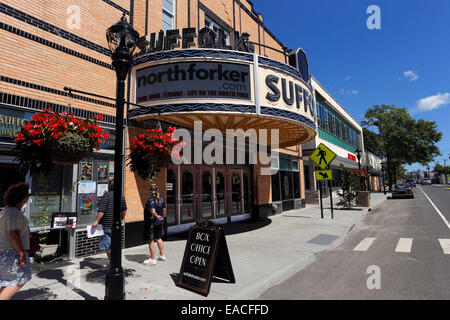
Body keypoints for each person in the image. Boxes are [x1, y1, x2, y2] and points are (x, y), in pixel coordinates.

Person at [0, 182, 31, 300]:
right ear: (22, 197)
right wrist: (21, 254)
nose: (28, 197)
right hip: (12, 253)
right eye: (27, 194)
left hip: (5, 252)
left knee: (8, 282)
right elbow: (13, 234)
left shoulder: (6, 210)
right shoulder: (13, 212)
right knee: (19, 280)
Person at [92, 178, 127, 270]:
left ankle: (112, 264)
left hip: (107, 224)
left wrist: (96, 221)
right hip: (117, 225)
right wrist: (121, 219)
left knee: (107, 246)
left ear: (109, 186)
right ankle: (113, 263)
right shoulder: (120, 195)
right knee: (114, 245)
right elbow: (124, 209)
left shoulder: (106, 195)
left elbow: (101, 211)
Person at [143, 186, 166, 266]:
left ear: (150, 191)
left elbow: (152, 211)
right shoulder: (161, 198)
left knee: (151, 240)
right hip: (159, 222)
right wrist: (162, 217)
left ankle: (152, 259)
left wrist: (157, 216)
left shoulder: (151, 200)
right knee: (159, 238)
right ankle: (162, 255)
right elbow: (164, 210)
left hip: (151, 223)